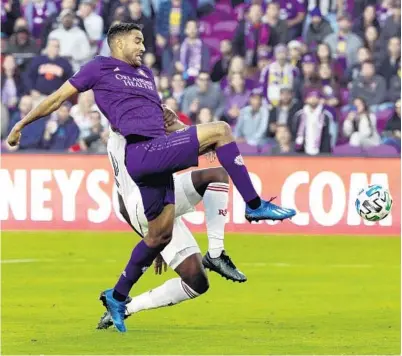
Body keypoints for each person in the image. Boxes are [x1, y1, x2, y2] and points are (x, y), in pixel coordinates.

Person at [7, 23, 296, 332]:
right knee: (222, 128)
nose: (143, 47)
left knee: (193, 272)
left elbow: (165, 120)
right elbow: (58, 98)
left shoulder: (146, 78)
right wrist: (21, 124)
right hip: (140, 172)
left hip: (158, 175)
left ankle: (120, 299)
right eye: (138, 41)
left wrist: (199, 140)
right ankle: (251, 207)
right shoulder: (104, 84)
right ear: (118, 44)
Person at [96, 129, 246, 330]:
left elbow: (173, 137)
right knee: (216, 175)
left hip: (159, 201)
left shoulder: (141, 119)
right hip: (143, 203)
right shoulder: (125, 123)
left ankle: (126, 308)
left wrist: (157, 237)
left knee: (197, 281)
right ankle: (216, 253)